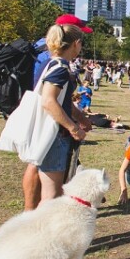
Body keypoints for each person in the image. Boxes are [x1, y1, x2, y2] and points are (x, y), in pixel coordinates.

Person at [35, 24, 88, 204]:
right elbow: (49, 101)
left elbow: (61, 99)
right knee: (52, 195)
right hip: (55, 134)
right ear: (76, 43)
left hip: (51, 132)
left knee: (53, 192)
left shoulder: (49, 63)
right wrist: (73, 128)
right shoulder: (60, 67)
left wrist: (80, 117)